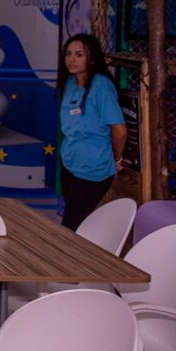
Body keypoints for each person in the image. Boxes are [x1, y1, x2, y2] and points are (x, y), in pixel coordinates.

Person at [57, 33, 127, 230]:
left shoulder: (101, 86)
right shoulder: (70, 83)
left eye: (79, 54)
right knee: (73, 220)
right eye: (69, 54)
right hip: (69, 163)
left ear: (92, 57)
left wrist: (116, 159)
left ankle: (70, 261)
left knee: (70, 227)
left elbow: (120, 131)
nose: (72, 59)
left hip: (92, 169)